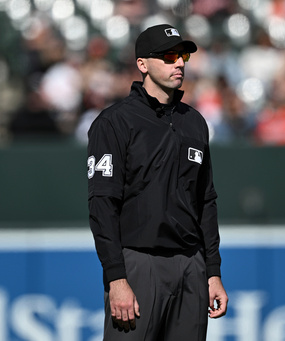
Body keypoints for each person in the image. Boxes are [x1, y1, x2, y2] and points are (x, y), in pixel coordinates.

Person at [87, 24, 228, 340]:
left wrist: (212, 272)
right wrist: (117, 278)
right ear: (142, 64)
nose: (179, 62)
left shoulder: (194, 122)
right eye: (168, 56)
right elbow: (102, 205)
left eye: (182, 55)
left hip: (191, 265)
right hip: (139, 263)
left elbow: (206, 201)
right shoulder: (115, 122)